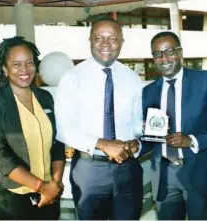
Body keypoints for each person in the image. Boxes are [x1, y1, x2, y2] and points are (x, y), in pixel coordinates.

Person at [55, 18, 143, 220]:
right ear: (90, 40)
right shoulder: (72, 78)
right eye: (99, 38)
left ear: (121, 41)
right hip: (89, 171)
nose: (105, 44)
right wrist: (102, 144)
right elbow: (63, 128)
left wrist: (136, 142)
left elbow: (137, 122)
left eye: (112, 39)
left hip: (127, 169)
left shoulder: (132, 78)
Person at [141, 31, 207, 220]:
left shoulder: (204, 80)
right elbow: (150, 138)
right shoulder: (148, 92)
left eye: (169, 51)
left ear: (180, 52)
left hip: (198, 172)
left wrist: (191, 140)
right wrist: (143, 134)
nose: (164, 58)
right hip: (164, 175)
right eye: (157, 54)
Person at [0, 36, 65, 220]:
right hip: (10, 196)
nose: (24, 69)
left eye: (29, 63)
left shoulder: (45, 97)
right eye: (17, 64)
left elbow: (57, 143)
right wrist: (41, 186)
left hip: (48, 193)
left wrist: (55, 184)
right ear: (5, 69)